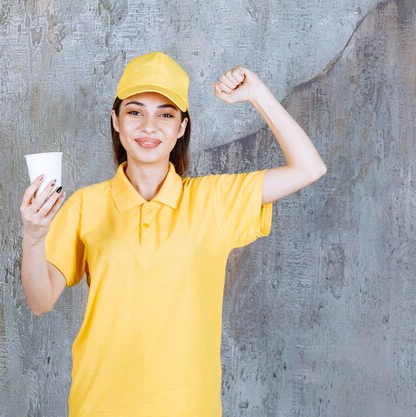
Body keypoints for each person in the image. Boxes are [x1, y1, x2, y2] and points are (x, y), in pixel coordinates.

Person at [20, 51, 326, 417]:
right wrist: (34, 237)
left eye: (165, 115)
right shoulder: (87, 204)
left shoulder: (214, 200)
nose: (149, 127)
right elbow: (40, 302)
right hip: (99, 404)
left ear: (181, 127)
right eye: (135, 112)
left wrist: (257, 93)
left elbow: (308, 168)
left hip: (189, 406)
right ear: (116, 120)